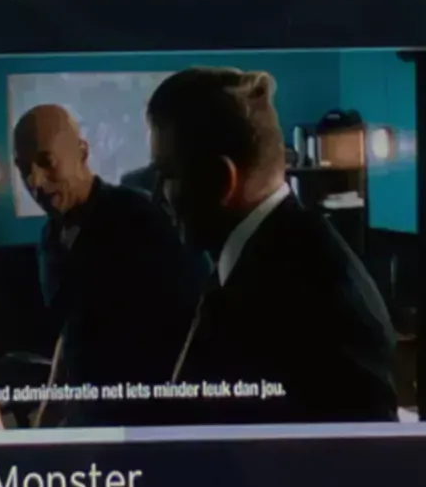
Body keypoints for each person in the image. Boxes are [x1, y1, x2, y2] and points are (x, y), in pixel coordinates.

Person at [149, 63, 409, 418]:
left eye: (167, 175)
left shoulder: (320, 302)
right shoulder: (248, 258)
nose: (157, 196)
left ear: (222, 180)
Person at [7, 96, 203, 394]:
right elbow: (71, 331)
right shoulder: (50, 236)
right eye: (24, 168)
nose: (35, 182)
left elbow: (189, 326)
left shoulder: (139, 218)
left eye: (47, 162)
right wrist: (51, 407)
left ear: (82, 152)